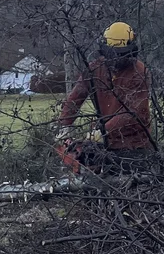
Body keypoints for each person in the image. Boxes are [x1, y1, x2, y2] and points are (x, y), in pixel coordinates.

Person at [56, 22, 153, 169]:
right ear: (105, 51)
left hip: (134, 145)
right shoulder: (95, 69)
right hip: (105, 143)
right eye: (113, 55)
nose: (116, 60)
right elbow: (76, 96)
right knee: (86, 164)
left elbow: (133, 112)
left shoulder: (139, 72)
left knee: (132, 182)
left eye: (121, 55)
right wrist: (64, 124)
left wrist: (104, 130)